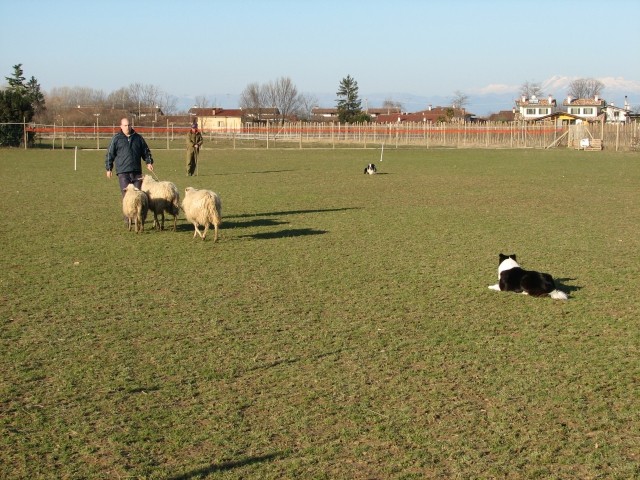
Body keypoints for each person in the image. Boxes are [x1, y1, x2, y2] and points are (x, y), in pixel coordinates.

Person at [105, 117, 154, 195]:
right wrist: (109, 168)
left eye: (129, 125)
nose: (127, 127)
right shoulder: (116, 138)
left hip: (137, 172)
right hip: (123, 172)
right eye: (125, 125)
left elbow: (145, 151)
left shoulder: (138, 138)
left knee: (138, 197)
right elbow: (110, 154)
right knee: (127, 197)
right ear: (121, 126)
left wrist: (149, 162)